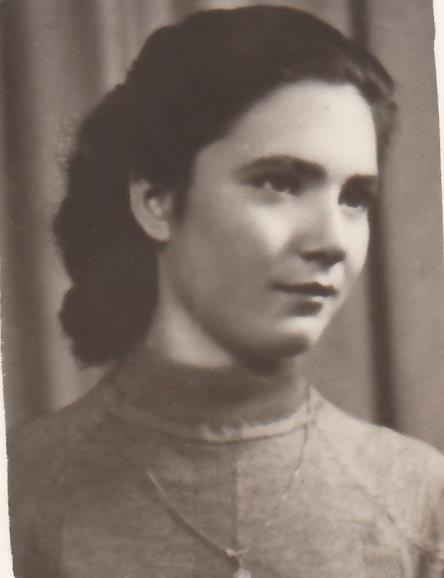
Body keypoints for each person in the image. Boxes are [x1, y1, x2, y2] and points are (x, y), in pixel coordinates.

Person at [7, 5, 444, 578]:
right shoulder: (24, 489)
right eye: (280, 183)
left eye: (354, 198)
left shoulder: (420, 498)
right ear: (156, 200)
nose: (333, 242)